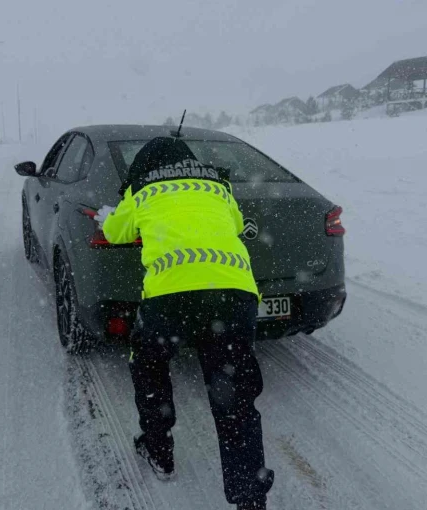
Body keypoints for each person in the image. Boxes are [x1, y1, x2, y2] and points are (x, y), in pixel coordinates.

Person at [100, 136, 274, 510]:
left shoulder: (141, 189)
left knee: (149, 365)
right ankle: (249, 497)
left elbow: (115, 232)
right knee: (234, 397)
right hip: (233, 295)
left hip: (170, 298)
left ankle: (159, 451)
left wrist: (121, 212)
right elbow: (236, 224)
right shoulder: (218, 186)